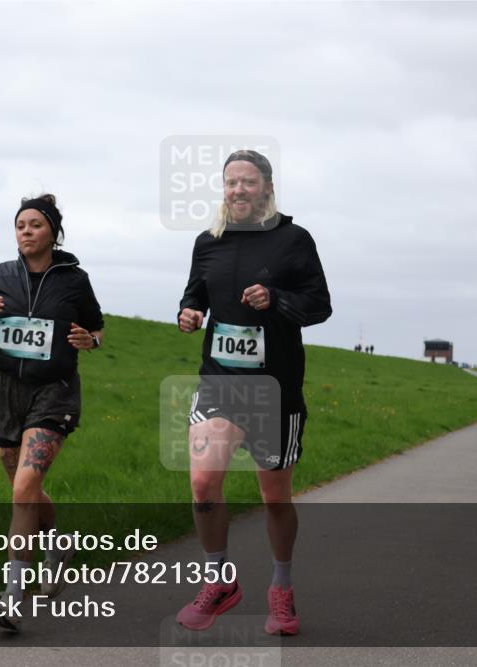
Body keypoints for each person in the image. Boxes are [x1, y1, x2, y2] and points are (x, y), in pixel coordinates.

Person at [176, 150, 331, 636]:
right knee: (203, 484)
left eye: (248, 182)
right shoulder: (209, 242)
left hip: (275, 389)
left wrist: (276, 300)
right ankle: (220, 580)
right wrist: (188, 310)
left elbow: (319, 305)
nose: (238, 190)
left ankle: (281, 588)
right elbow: (196, 290)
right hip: (219, 381)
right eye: (230, 183)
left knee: (274, 498)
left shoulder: (294, 240)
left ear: (266, 187)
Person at [0, 194, 104, 632]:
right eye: (20, 225)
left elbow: (96, 327)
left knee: (25, 484)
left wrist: (90, 341)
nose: (26, 232)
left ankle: (11, 595)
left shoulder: (74, 280)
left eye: (35, 225)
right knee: (23, 488)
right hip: (4, 393)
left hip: (54, 391)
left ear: (53, 232)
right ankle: (58, 543)